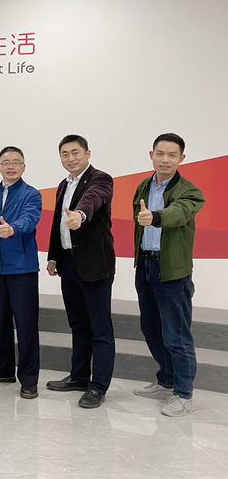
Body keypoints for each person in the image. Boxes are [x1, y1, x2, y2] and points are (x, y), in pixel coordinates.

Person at [132, 133, 205, 417]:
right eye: (160, 154)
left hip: (172, 270)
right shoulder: (143, 185)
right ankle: (166, 380)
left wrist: (156, 217)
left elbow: (179, 212)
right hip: (146, 265)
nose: (165, 160)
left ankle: (184, 394)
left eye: (172, 155)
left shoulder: (190, 191)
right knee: (151, 328)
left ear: (181, 159)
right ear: (151, 155)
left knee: (176, 335)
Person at [46, 134, 115, 409]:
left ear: (87, 153)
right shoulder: (64, 185)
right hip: (69, 264)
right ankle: (78, 377)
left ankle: (98, 386)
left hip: (95, 266)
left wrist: (80, 216)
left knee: (100, 329)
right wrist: (53, 256)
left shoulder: (101, 179)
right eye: (65, 154)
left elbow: (93, 199)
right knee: (78, 325)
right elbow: (57, 222)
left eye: (75, 152)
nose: (70, 158)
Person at [0, 147, 42, 398]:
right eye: (6, 162)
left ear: (23, 167)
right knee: (1, 321)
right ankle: (4, 368)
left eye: (16, 162)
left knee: (26, 324)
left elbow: (30, 219)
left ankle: (28, 378)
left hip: (22, 268)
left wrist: (13, 229)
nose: (11, 166)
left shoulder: (32, 194)